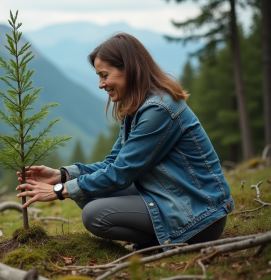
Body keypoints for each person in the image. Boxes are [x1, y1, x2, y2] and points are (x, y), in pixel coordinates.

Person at [16, 33, 234, 250]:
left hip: (198, 215)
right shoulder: (140, 106)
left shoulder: (158, 109)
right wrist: (62, 175)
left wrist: (58, 191)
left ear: (128, 69)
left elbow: (120, 173)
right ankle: (155, 242)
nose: (101, 84)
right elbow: (113, 163)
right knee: (86, 194)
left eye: (104, 75)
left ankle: (158, 244)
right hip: (167, 194)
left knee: (94, 214)